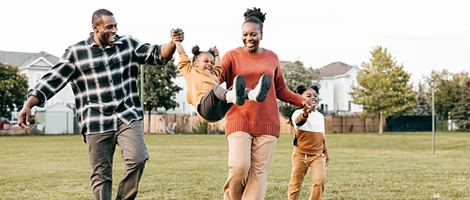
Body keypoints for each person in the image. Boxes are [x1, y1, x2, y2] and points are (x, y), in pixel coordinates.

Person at [16, 9, 183, 200]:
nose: (114, 30)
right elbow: (52, 80)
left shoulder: (127, 44)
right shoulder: (77, 53)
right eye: (109, 27)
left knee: (138, 157)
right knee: (101, 175)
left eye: (116, 26)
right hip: (96, 120)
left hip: (127, 115)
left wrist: (172, 42)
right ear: (95, 28)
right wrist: (28, 104)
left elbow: (157, 54)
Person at [220, 7, 312, 200]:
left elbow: (280, 90)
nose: (249, 38)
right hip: (239, 119)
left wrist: (301, 100)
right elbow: (217, 81)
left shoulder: (272, 57)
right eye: (245, 34)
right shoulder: (231, 56)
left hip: (267, 123)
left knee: (258, 176)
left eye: (253, 34)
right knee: (239, 167)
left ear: (262, 34)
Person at [173, 39, 271, 122]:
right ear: (195, 64)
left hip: (219, 112)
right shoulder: (191, 71)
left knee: (233, 89)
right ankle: (231, 96)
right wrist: (177, 42)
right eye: (206, 61)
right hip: (204, 110)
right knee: (216, 88)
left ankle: (253, 95)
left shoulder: (214, 75)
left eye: (212, 62)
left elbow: (218, 66)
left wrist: (217, 55)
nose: (210, 64)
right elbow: (183, 56)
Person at [288, 85, 329, 200]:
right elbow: (299, 122)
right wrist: (306, 113)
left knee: (320, 180)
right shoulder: (297, 113)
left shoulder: (320, 116)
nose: (313, 98)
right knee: (296, 183)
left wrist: (325, 152)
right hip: (300, 155)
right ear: (301, 98)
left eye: (315, 95)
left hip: (317, 155)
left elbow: (322, 136)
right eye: (309, 96)